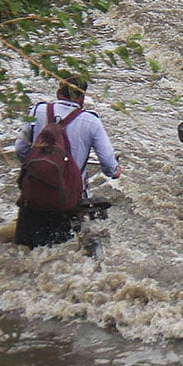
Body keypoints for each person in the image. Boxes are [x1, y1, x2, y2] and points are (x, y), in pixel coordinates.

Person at [13, 75, 122, 247]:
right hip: (66, 201)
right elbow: (108, 164)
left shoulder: (37, 111)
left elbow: (20, 149)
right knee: (60, 254)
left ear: (58, 92)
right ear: (83, 97)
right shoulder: (91, 121)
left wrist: (40, 170)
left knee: (23, 251)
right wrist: (115, 171)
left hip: (33, 196)